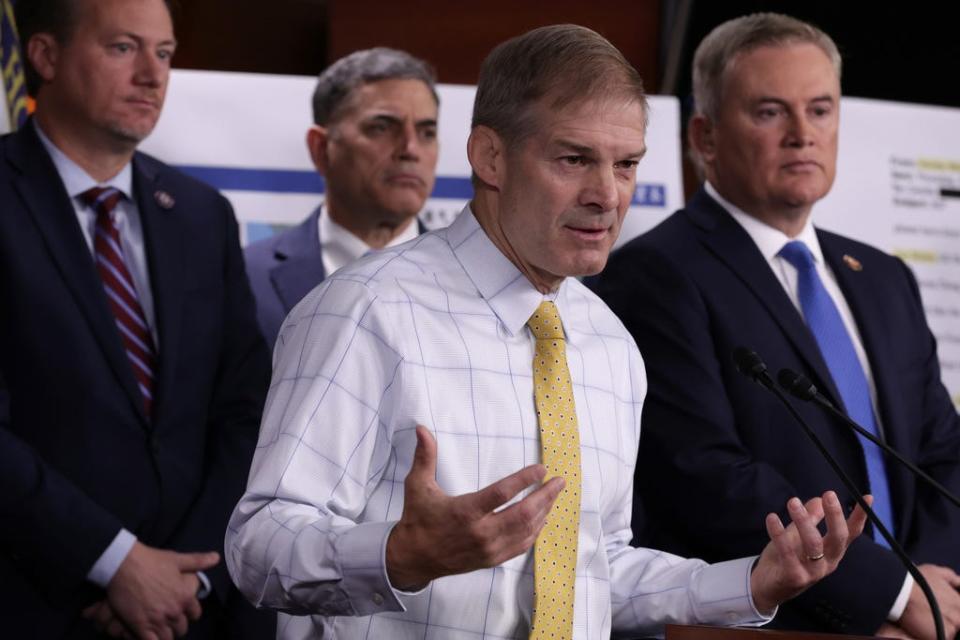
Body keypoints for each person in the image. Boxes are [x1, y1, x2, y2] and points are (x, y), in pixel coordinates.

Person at [225, 24, 868, 639]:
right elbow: (257, 546)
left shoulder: (609, 342)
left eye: (625, 165)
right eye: (574, 159)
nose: (607, 195)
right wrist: (399, 556)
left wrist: (753, 584)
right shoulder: (366, 309)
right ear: (490, 156)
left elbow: (593, 572)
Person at [591, 12, 960, 639]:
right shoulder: (653, 276)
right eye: (769, 112)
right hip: (774, 625)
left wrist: (934, 586)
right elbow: (705, 477)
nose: (801, 135)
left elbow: (942, 455)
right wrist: (892, 595)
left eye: (820, 110)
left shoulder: (882, 276)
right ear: (703, 137)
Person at [0, 0, 273, 637]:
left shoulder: (203, 215)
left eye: (166, 53)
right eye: (124, 48)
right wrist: (116, 564)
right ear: (44, 57)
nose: (153, 75)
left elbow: (245, 410)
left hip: (191, 609)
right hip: (34, 604)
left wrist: (189, 577)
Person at [244, 47, 439, 348]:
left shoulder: (479, 283)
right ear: (321, 149)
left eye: (426, 132)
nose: (410, 149)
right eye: (382, 127)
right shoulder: (244, 279)